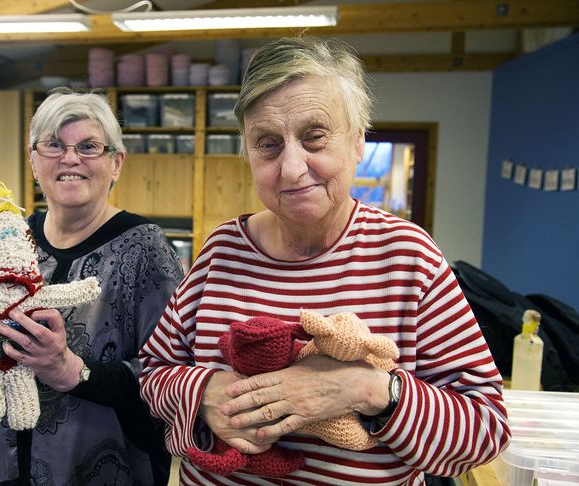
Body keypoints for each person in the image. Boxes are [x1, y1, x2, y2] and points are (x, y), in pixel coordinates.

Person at [138, 37, 511, 485]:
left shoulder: (409, 257)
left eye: (314, 137)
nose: (292, 167)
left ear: (357, 142)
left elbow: (486, 428)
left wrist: (371, 390)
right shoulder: (222, 250)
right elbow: (152, 375)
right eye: (268, 144)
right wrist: (204, 395)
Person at [0, 88, 183, 486]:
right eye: (54, 145)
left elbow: (174, 376)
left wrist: (72, 370)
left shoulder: (145, 247)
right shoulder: (12, 238)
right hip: (12, 465)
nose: (70, 158)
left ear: (116, 163)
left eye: (89, 146)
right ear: (33, 160)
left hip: (105, 468)